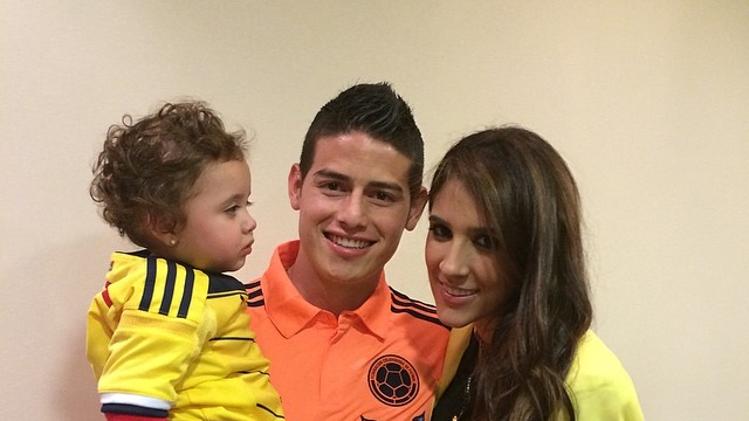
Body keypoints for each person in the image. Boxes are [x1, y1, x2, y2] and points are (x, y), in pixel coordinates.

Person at [246, 83, 450, 420]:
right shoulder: (214, 321)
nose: (352, 216)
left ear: (415, 209)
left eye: (381, 196)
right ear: (297, 186)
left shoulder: (446, 344)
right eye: (333, 186)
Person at [427, 127, 644, 421]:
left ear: (535, 251)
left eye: (485, 241)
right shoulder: (466, 336)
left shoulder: (592, 385)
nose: (451, 266)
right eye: (441, 231)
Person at [86, 102, 284, 420]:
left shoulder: (189, 288)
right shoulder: (170, 292)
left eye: (246, 204)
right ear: (165, 225)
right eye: (231, 209)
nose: (249, 222)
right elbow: (131, 400)